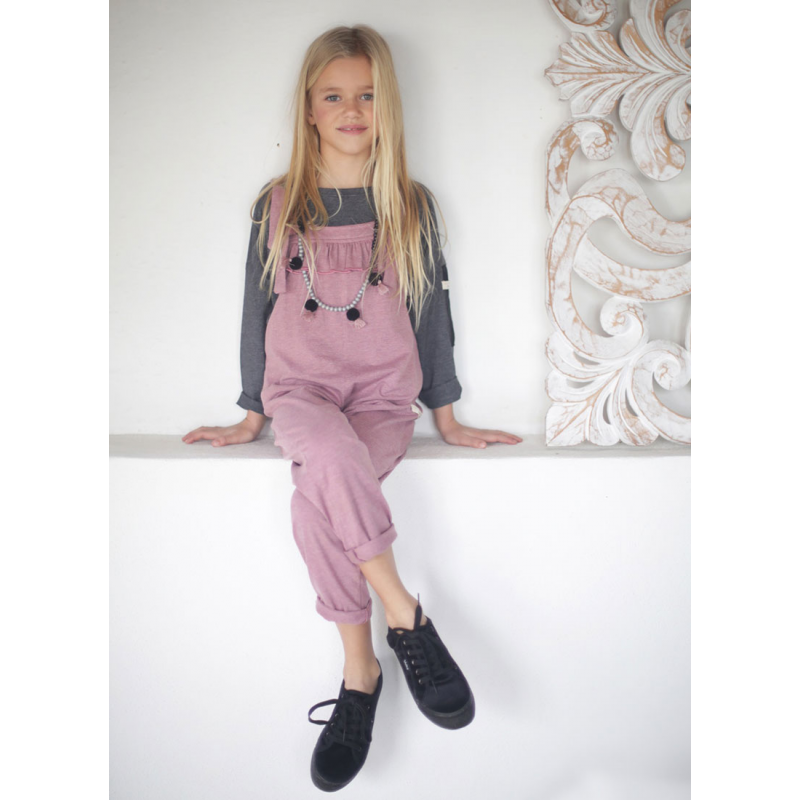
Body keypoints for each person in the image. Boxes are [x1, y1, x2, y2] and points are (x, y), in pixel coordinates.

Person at [183, 24, 522, 792]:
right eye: (334, 96)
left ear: (387, 106)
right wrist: (250, 413)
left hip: (382, 395)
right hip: (300, 391)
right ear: (308, 108)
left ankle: (360, 675)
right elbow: (254, 308)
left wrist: (447, 414)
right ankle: (405, 615)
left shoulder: (410, 204)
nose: (351, 110)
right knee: (328, 456)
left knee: (315, 501)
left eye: (367, 96)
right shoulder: (278, 206)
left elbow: (433, 314)